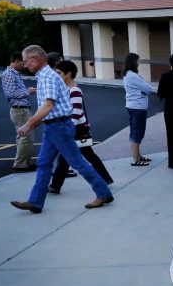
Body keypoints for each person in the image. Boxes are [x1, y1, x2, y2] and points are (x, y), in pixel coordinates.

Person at [10, 45, 114, 214]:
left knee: (77, 162)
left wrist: (29, 124)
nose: (24, 65)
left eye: (26, 61)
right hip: (53, 127)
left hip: (59, 126)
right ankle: (35, 202)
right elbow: (48, 107)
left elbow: (48, 105)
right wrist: (35, 124)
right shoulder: (44, 76)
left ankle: (103, 193)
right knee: (44, 163)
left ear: (35, 58)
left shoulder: (48, 77)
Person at [47, 60, 113, 194]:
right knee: (74, 156)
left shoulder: (75, 90)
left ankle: (55, 186)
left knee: (70, 156)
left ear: (68, 74)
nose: (57, 75)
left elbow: (76, 113)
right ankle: (105, 178)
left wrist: (66, 129)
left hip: (75, 128)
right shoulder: (65, 89)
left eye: (59, 73)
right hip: (73, 128)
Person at [1, 52, 37, 172]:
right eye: (23, 62)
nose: (25, 64)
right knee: (26, 137)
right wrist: (28, 91)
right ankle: (20, 165)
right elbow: (11, 94)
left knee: (24, 137)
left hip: (21, 109)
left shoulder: (14, 74)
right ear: (16, 61)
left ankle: (26, 162)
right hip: (19, 109)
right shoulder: (9, 74)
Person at [123, 52, 152, 166]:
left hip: (132, 106)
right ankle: (136, 159)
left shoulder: (128, 74)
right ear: (133, 62)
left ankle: (138, 156)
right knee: (138, 133)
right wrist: (143, 91)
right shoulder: (132, 75)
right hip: (138, 107)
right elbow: (148, 89)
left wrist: (142, 91)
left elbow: (142, 89)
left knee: (134, 132)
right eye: (137, 61)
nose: (138, 63)